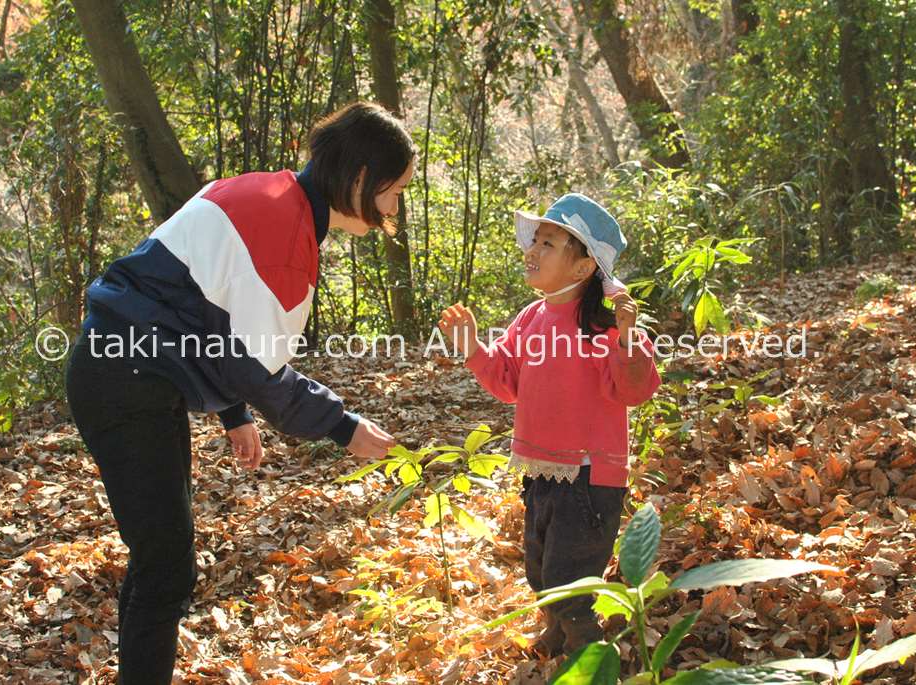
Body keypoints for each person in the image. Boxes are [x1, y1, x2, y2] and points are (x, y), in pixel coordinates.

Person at [65, 102, 412, 684]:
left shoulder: (263, 191)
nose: (394, 207)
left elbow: (197, 308)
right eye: (393, 190)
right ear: (360, 178)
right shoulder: (285, 235)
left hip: (131, 375)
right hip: (126, 383)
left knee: (161, 561)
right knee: (165, 566)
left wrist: (231, 411)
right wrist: (344, 426)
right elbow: (262, 373)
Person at [438, 193, 661, 657]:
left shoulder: (601, 329)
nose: (532, 251)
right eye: (534, 240)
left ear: (582, 269)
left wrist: (625, 338)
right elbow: (508, 382)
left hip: (588, 475)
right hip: (540, 469)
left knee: (569, 574)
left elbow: (634, 390)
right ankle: (558, 632)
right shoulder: (530, 318)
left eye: (549, 243)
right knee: (539, 568)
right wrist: (474, 347)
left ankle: (588, 649)